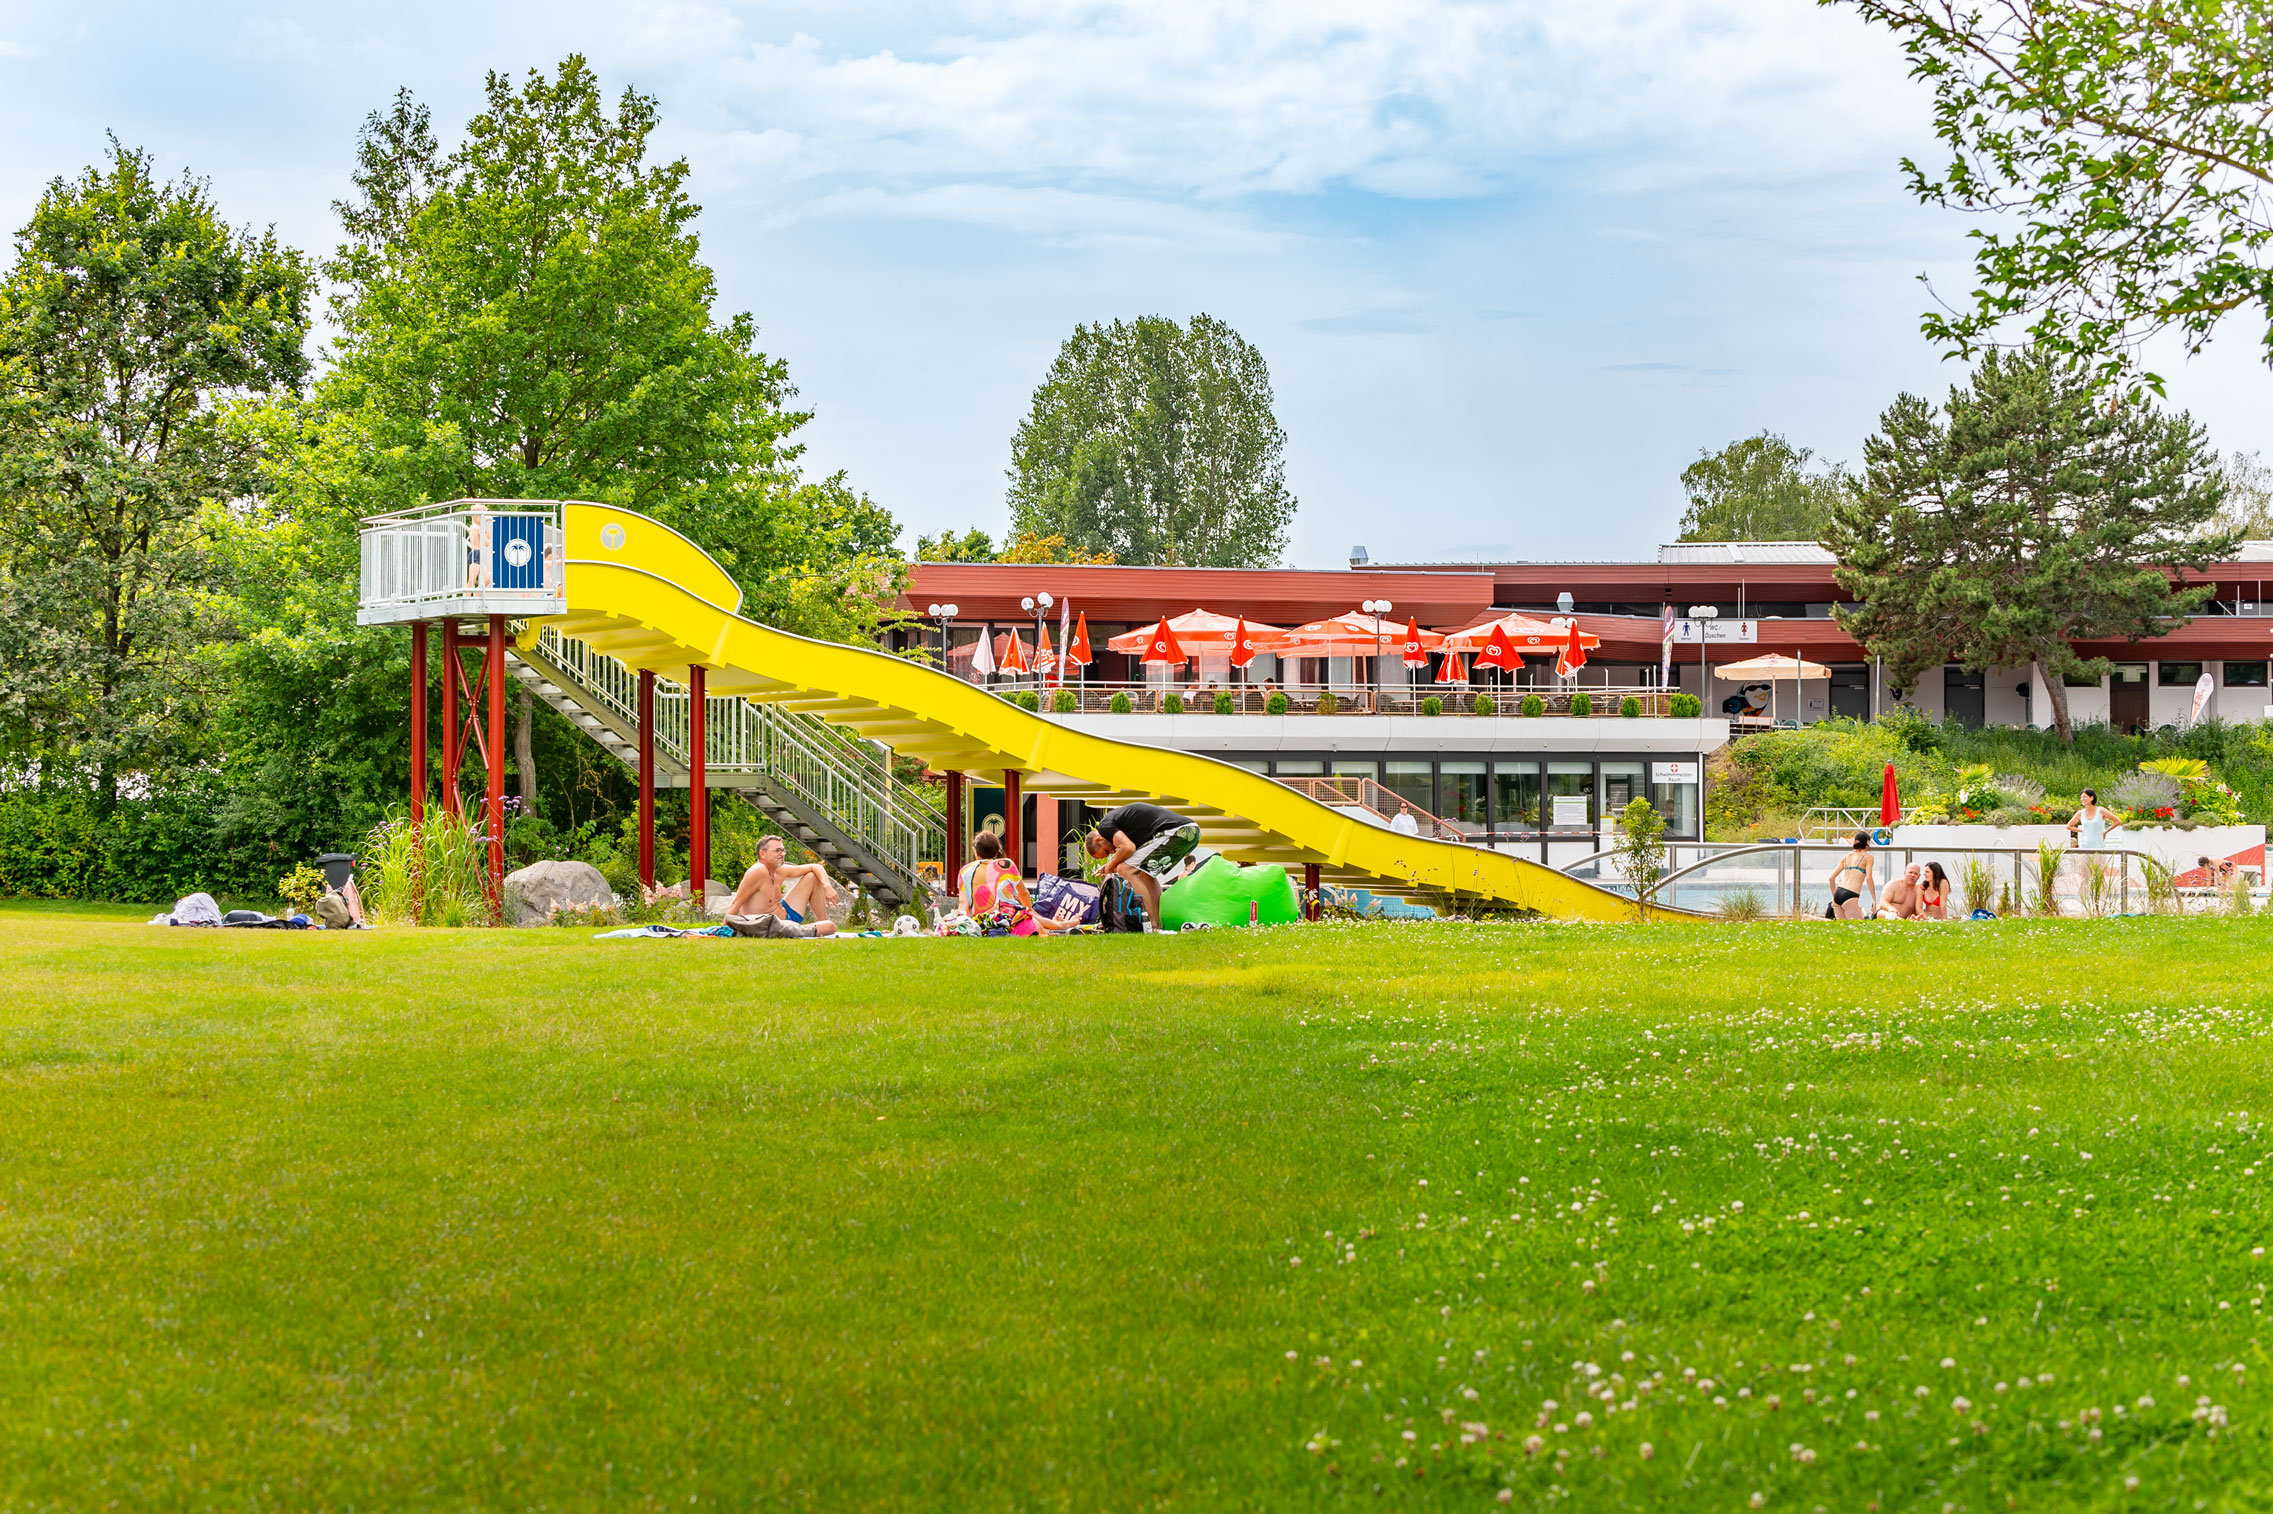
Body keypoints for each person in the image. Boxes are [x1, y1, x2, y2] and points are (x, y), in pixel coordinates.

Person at [1085, 802, 1202, 930]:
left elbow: (1128, 848)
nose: (1112, 852)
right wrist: (1110, 864)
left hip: (1178, 832)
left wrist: (1108, 867)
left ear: (1098, 840)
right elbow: (1129, 850)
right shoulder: (1125, 829)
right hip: (1191, 831)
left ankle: (1150, 924)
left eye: (1107, 851)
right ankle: (1157, 925)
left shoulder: (1104, 826)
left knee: (1125, 869)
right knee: (1144, 873)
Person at [957, 830, 1084, 934]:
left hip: (983, 922)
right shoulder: (1006, 864)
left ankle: (1057, 925)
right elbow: (1023, 894)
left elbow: (963, 904)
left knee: (1027, 915)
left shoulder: (965, 870)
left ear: (975, 851)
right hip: (1009, 919)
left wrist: (961, 921)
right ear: (996, 850)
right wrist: (1029, 910)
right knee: (1027, 915)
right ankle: (1060, 925)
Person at [722, 835, 839, 938]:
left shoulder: (779, 870)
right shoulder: (758, 871)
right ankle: (818, 928)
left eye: (783, 851)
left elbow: (816, 867)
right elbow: (736, 903)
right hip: (768, 926)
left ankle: (822, 925)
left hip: (786, 917)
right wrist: (723, 929)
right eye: (777, 850)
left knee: (813, 876)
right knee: (830, 926)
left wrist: (827, 886)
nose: (782, 854)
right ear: (763, 853)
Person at [1826, 830, 1877, 920]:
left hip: (1838, 892)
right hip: (1850, 894)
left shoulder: (1847, 856)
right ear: (1867, 842)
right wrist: (1874, 899)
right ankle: (1808, 918)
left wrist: (1835, 896)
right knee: (1858, 926)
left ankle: (1808, 918)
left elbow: (1831, 878)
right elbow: (1869, 878)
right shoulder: (1868, 857)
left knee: (1842, 927)